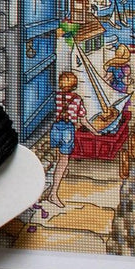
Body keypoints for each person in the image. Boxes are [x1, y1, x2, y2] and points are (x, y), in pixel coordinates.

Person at [45, 71, 96, 208]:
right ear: (74, 85)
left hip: (55, 128)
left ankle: (63, 171)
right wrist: (94, 131)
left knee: (59, 154)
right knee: (64, 159)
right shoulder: (77, 100)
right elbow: (83, 120)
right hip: (67, 130)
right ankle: (53, 194)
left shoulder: (55, 97)